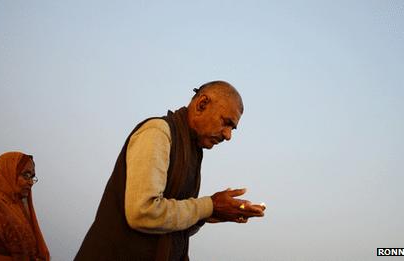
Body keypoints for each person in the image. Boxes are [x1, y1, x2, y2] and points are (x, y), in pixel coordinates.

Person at [75, 81, 265, 260]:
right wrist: (209, 206)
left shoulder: (193, 151)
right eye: (226, 122)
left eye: (232, 128)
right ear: (202, 104)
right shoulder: (158, 132)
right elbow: (143, 213)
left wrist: (210, 214)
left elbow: (171, 231)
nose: (228, 135)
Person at [0, 152, 50, 261]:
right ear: (7, 173)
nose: (31, 182)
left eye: (32, 177)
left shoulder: (21, 215)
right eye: (26, 175)